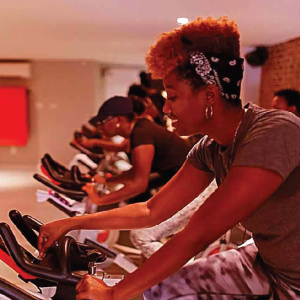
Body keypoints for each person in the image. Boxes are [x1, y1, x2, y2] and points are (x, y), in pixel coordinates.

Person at [38, 17, 300, 299]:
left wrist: (113, 294)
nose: (165, 109)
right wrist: (73, 222)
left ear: (209, 96)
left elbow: (197, 235)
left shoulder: (275, 131)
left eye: (172, 97)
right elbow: (151, 210)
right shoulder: (210, 149)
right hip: (267, 263)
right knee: (160, 292)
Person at [82, 95, 190, 205]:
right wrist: (107, 180)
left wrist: (100, 200)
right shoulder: (139, 128)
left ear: (118, 120)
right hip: (182, 179)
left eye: (102, 121)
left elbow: (139, 184)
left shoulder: (141, 134)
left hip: (189, 182)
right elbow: (136, 172)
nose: (100, 127)